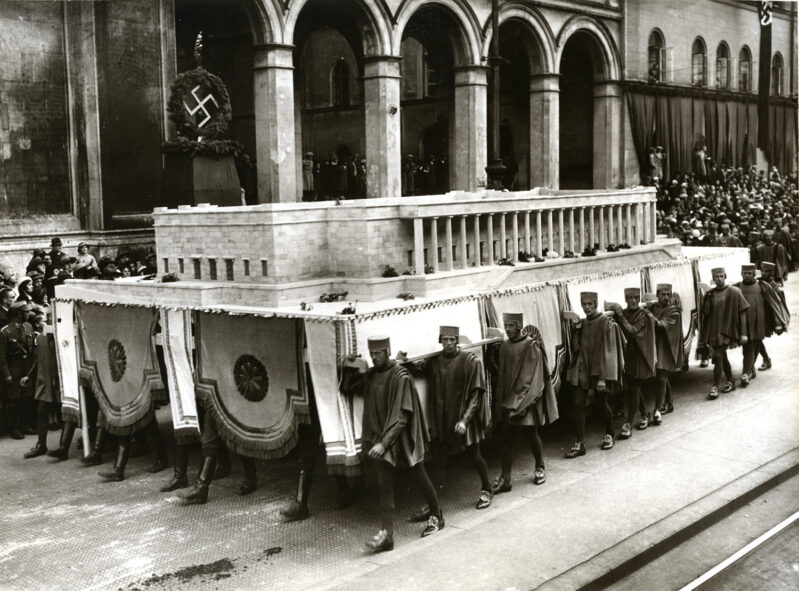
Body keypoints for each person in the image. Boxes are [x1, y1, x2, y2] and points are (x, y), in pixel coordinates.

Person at [342, 335, 443, 553]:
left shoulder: (400, 376)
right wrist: (348, 366)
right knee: (384, 485)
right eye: (372, 354)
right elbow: (347, 388)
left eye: (378, 353)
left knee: (419, 475)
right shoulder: (370, 375)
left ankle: (437, 514)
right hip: (380, 438)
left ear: (387, 351)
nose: (375, 357)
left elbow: (402, 416)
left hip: (402, 439)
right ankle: (387, 535)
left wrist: (384, 444)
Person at [398, 325, 493, 512]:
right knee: (439, 460)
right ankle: (433, 504)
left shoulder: (470, 361)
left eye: (452, 339)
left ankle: (487, 488)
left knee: (474, 455)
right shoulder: (436, 361)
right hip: (443, 421)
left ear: (457, 340)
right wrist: (405, 361)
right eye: (445, 339)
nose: (448, 343)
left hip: (463, 420)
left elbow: (476, 395)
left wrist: (465, 421)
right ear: (440, 340)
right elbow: (419, 370)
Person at [490, 315, 558, 493]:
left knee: (531, 434)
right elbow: (504, 374)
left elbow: (528, 378)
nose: (508, 329)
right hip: (508, 400)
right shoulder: (504, 346)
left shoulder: (531, 345)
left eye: (511, 325)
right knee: (507, 438)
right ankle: (506, 478)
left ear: (519, 325)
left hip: (526, 400)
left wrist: (517, 403)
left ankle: (540, 466)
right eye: (506, 325)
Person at [564, 292, 625, 457]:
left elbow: (609, 352)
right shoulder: (583, 324)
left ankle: (609, 433)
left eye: (590, 304)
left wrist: (603, 377)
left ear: (596, 303)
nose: (587, 308)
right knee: (578, 404)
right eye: (584, 304)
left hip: (598, 372)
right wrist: (576, 331)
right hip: (583, 369)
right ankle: (580, 443)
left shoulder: (606, 323)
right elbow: (576, 349)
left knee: (601, 402)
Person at [608, 288, 657, 439]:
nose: (634, 300)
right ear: (625, 299)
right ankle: (644, 415)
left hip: (641, 357)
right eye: (630, 298)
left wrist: (620, 314)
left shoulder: (644, 315)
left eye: (636, 297)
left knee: (634, 388)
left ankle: (628, 423)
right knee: (634, 389)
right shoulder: (623, 313)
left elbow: (632, 331)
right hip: (628, 356)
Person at [698, 267, 749, 399]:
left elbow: (742, 312)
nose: (719, 279)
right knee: (723, 357)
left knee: (719, 356)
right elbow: (706, 313)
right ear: (713, 279)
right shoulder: (711, 293)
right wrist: (706, 301)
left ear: (725, 276)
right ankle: (731, 380)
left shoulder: (734, 291)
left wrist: (743, 333)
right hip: (715, 330)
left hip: (728, 330)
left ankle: (714, 387)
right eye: (716, 277)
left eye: (721, 276)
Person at [736, 264, 789, 387]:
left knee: (751, 346)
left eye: (750, 273)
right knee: (746, 348)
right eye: (745, 273)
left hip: (759, 321)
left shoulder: (763, 286)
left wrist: (777, 323)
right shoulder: (737, 287)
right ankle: (752, 368)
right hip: (743, 323)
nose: (747, 275)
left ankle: (746, 373)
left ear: (754, 273)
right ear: (741, 274)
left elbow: (774, 304)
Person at [21, 310, 60, 458]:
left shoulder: (62, 338)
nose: (44, 323)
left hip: (59, 382)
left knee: (70, 415)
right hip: (46, 382)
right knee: (42, 411)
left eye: (46, 319)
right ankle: (41, 445)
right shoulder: (41, 337)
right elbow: (38, 359)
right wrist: (29, 376)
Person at [648, 284, 684, 420]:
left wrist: (647, 315)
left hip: (667, 348)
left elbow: (660, 325)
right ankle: (669, 403)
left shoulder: (673, 311)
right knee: (661, 377)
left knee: (662, 377)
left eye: (669, 295)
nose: (666, 297)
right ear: (657, 295)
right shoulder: (653, 308)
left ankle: (657, 409)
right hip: (656, 346)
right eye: (663, 294)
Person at [0, 302, 35, 440]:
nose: (28, 314)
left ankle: (25, 426)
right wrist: (6, 374)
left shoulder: (29, 327)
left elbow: (32, 350)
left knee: (27, 397)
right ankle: (14, 428)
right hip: (13, 367)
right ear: (17, 314)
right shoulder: (5, 331)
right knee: (14, 399)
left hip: (27, 367)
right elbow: (1, 356)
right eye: (25, 312)